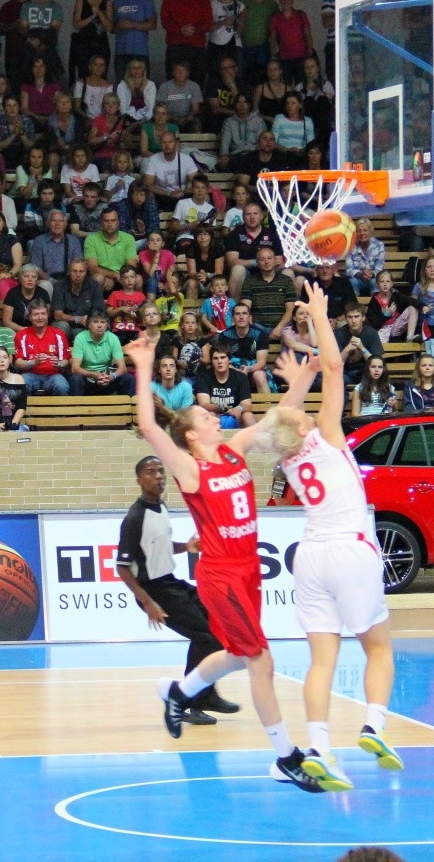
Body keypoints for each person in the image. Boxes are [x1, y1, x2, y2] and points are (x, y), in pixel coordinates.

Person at [124, 333, 320, 792]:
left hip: (248, 570)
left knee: (236, 653)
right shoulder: (191, 469)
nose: (214, 416)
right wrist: (144, 366)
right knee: (260, 660)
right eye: (205, 416)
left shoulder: (234, 449)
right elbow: (150, 427)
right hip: (221, 575)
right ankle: (286, 757)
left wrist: (309, 373)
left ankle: (180, 692)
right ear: (192, 435)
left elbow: (280, 418)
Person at [262, 285, 404, 793]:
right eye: (302, 413)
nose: (304, 411)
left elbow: (279, 419)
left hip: (311, 555)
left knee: (322, 659)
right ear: (305, 427)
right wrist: (321, 317)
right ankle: (374, 727)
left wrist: (297, 383)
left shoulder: (286, 454)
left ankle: (319, 748)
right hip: (349, 549)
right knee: (379, 648)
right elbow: (336, 367)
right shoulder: (326, 434)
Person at [113, 455, 241, 726]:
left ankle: (204, 695)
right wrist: (148, 603)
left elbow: (161, 546)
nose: (159, 476)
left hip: (170, 582)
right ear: (139, 480)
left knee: (217, 625)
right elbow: (122, 567)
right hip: (154, 591)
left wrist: (187, 547)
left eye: (160, 471)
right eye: (151, 472)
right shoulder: (135, 518)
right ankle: (190, 700)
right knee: (205, 637)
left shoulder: (160, 507)